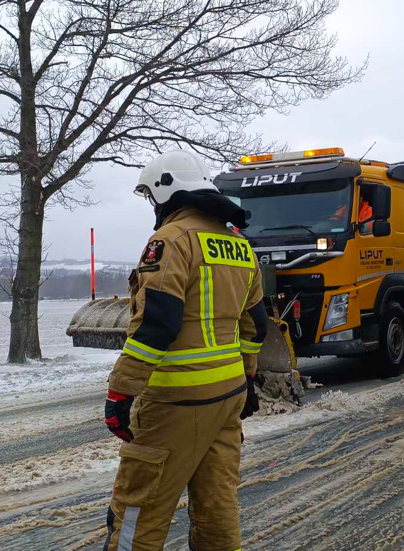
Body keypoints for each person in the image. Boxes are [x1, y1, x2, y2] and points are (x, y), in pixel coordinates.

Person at [103, 150, 269, 551]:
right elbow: (256, 324)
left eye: (151, 196)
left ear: (166, 190)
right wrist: (247, 377)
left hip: (174, 402)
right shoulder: (237, 244)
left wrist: (121, 390)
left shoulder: (170, 240)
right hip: (227, 397)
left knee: (138, 512)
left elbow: (158, 324)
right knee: (217, 508)